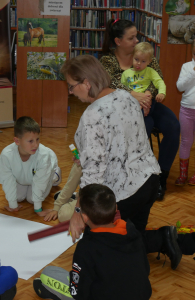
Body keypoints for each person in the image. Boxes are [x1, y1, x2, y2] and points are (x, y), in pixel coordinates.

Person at [60, 54, 183, 270]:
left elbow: (93, 175)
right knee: (131, 238)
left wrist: (80, 213)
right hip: (149, 180)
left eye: (71, 86)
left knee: (98, 243)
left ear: (86, 83)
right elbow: (122, 140)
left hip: (123, 193)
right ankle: (163, 238)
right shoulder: (126, 96)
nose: (70, 92)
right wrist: (88, 153)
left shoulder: (92, 115)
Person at [100, 19, 180, 200]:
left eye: (136, 36)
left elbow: (156, 78)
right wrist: (133, 95)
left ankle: (161, 177)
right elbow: (108, 84)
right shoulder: (107, 60)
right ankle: (141, 177)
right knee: (144, 126)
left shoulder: (145, 54)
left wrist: (147, 98)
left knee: (173, 127)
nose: (137, 40)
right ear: (118, 41)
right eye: (132, 38)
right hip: (124, 110)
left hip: (149, 104)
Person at [69, 184, 152, 300]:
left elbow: (79, 292)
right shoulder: (133, 232)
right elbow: (146, 269)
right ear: (116, 209)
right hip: (141, 295)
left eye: (78, 209)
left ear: (85, 217)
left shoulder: (86, 247)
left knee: (51, 275)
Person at [0, 116, 62, 216]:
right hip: (23, 179)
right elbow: (7, 180)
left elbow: (40, 183)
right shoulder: (6, 155)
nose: (35, 145)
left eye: (37, 139)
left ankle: (55, 175)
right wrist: (13, 205)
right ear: (17, 141)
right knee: (17, 198)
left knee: (32, 200)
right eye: (30, 141)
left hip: (45, 172)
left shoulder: (43, 155)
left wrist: (38, 209)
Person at [121, 42, 166, 116]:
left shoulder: (150, 71)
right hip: (131, 99)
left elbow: (159, 82)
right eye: (136, 59)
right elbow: (123, 89)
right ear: (132, 57)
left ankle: (144, 109)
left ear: (149, 61)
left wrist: (161, 92)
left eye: (143, 61)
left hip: (146, 99)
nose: (139, 63)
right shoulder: (126, 73)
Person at [175, 40, 195, 185]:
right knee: (186, 141)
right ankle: (183, 174)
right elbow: (180, 87)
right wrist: (193, 73)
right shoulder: (187, 67)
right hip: (187, 109)